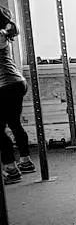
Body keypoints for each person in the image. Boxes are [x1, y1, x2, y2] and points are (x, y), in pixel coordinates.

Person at [0, 10, 34, 184]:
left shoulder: (0, 34)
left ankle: (11, 169)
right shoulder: (4, 32)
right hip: (14, 84)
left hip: (6, 86)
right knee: (14, 124)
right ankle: (25, 161)